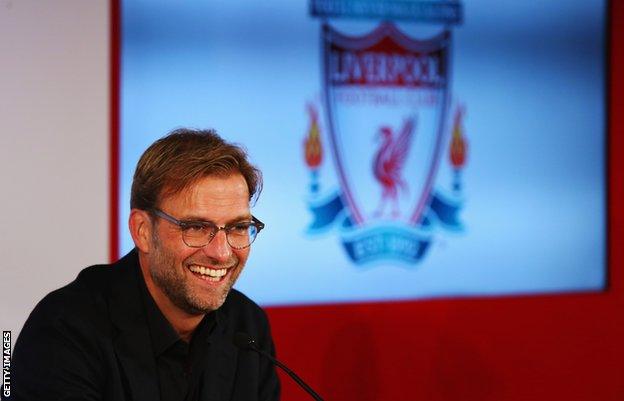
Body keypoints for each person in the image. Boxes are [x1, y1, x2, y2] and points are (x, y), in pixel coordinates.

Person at [8, 129, 280, 401]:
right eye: (196, 227)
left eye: (238, 227)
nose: (221, 252)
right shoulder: (64, 332)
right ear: (142, 231)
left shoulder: (248, 327)